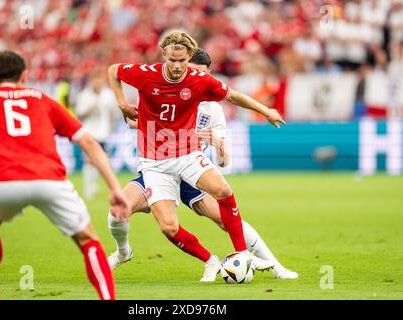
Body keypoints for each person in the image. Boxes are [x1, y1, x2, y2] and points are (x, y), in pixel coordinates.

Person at [108, 31, 286, 282]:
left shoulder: (200, 83)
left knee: (223, 190)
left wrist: (266, 110)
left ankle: (244, 254)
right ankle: (210, 260)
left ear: (189, 57)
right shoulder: (146, 73)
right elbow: (114, 70)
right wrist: (121, 103)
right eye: (172, 60)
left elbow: (233, 96)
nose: (178, 66)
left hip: (186, 154)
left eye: (182, 61)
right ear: (164, 56)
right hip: (155, 163)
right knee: (168, 227)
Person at [0, 50, 131, 300]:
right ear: (24, 76)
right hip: (50, 180)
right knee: (87, 238)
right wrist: (114, 187)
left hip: (4, 182)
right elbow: (89, 143)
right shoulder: (42, 99)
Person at [75, 70, 118, 200]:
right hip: (90, 133)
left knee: (103, 161)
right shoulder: (84, 95)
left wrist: (111, 126)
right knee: (90, 160)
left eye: (100, 80)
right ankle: (88, 188)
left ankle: (93, 184)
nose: (98, 83)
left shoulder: (108, 94)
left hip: (104, 133)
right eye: (96, 80)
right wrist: (89, 110)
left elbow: (112, 111)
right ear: (91, 81)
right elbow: (79, 113)